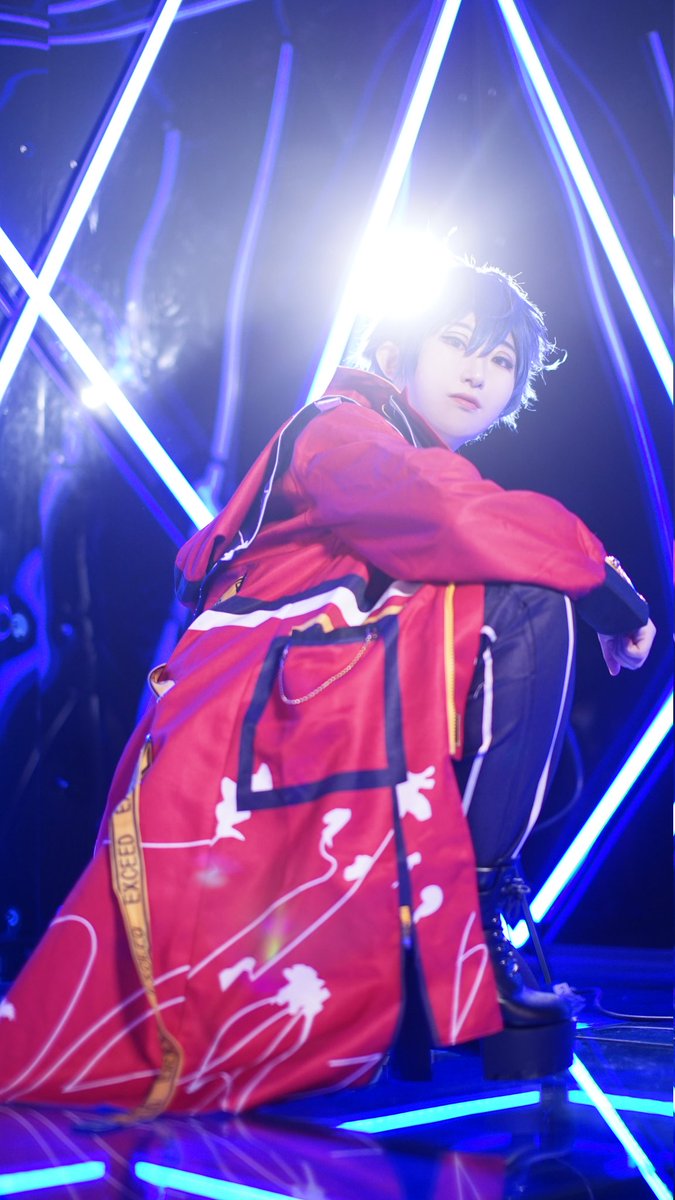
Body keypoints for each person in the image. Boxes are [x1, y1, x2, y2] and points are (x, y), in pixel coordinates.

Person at [0, 260, 655, 1118]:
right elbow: (439, 512)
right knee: (530, 603)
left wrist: (581, 577)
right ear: (394, 351)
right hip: (257, 700)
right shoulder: (339, 423)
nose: (475, 372)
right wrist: (599, 582)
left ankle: (459, 928)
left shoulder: (406, 451)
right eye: (455, 343)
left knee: (532, 681)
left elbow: (449, 516)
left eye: (500, 362)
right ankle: (467, 934)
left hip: (322, 681)